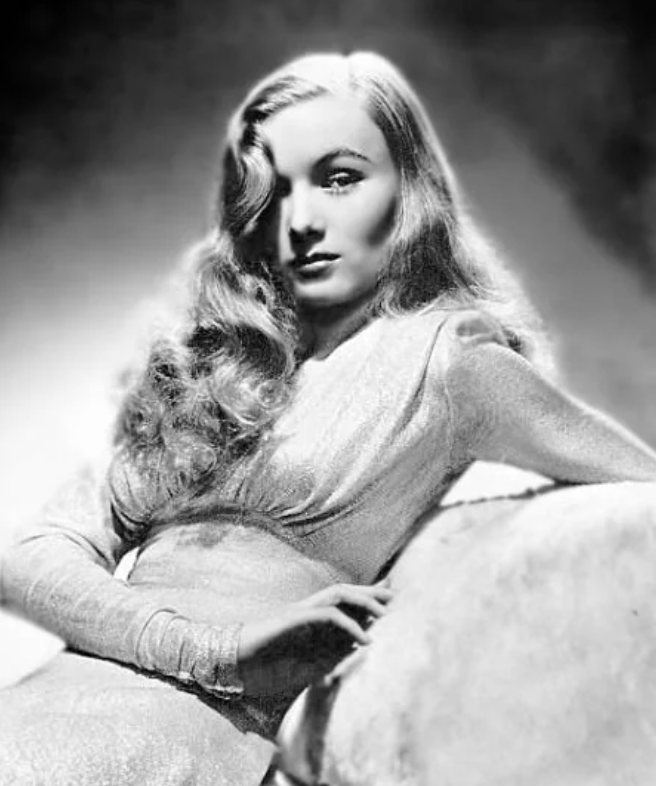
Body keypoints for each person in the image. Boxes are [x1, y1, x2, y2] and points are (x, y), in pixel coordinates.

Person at [1, 51, 656, 786]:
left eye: (340, 178)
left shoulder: (449, 363)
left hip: (192, 734)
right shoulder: (216, 363)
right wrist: (212, 648)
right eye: (274, 191)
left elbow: (641, 493)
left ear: (408, 190)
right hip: (55, 700)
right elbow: (30, 557)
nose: (303, 220)